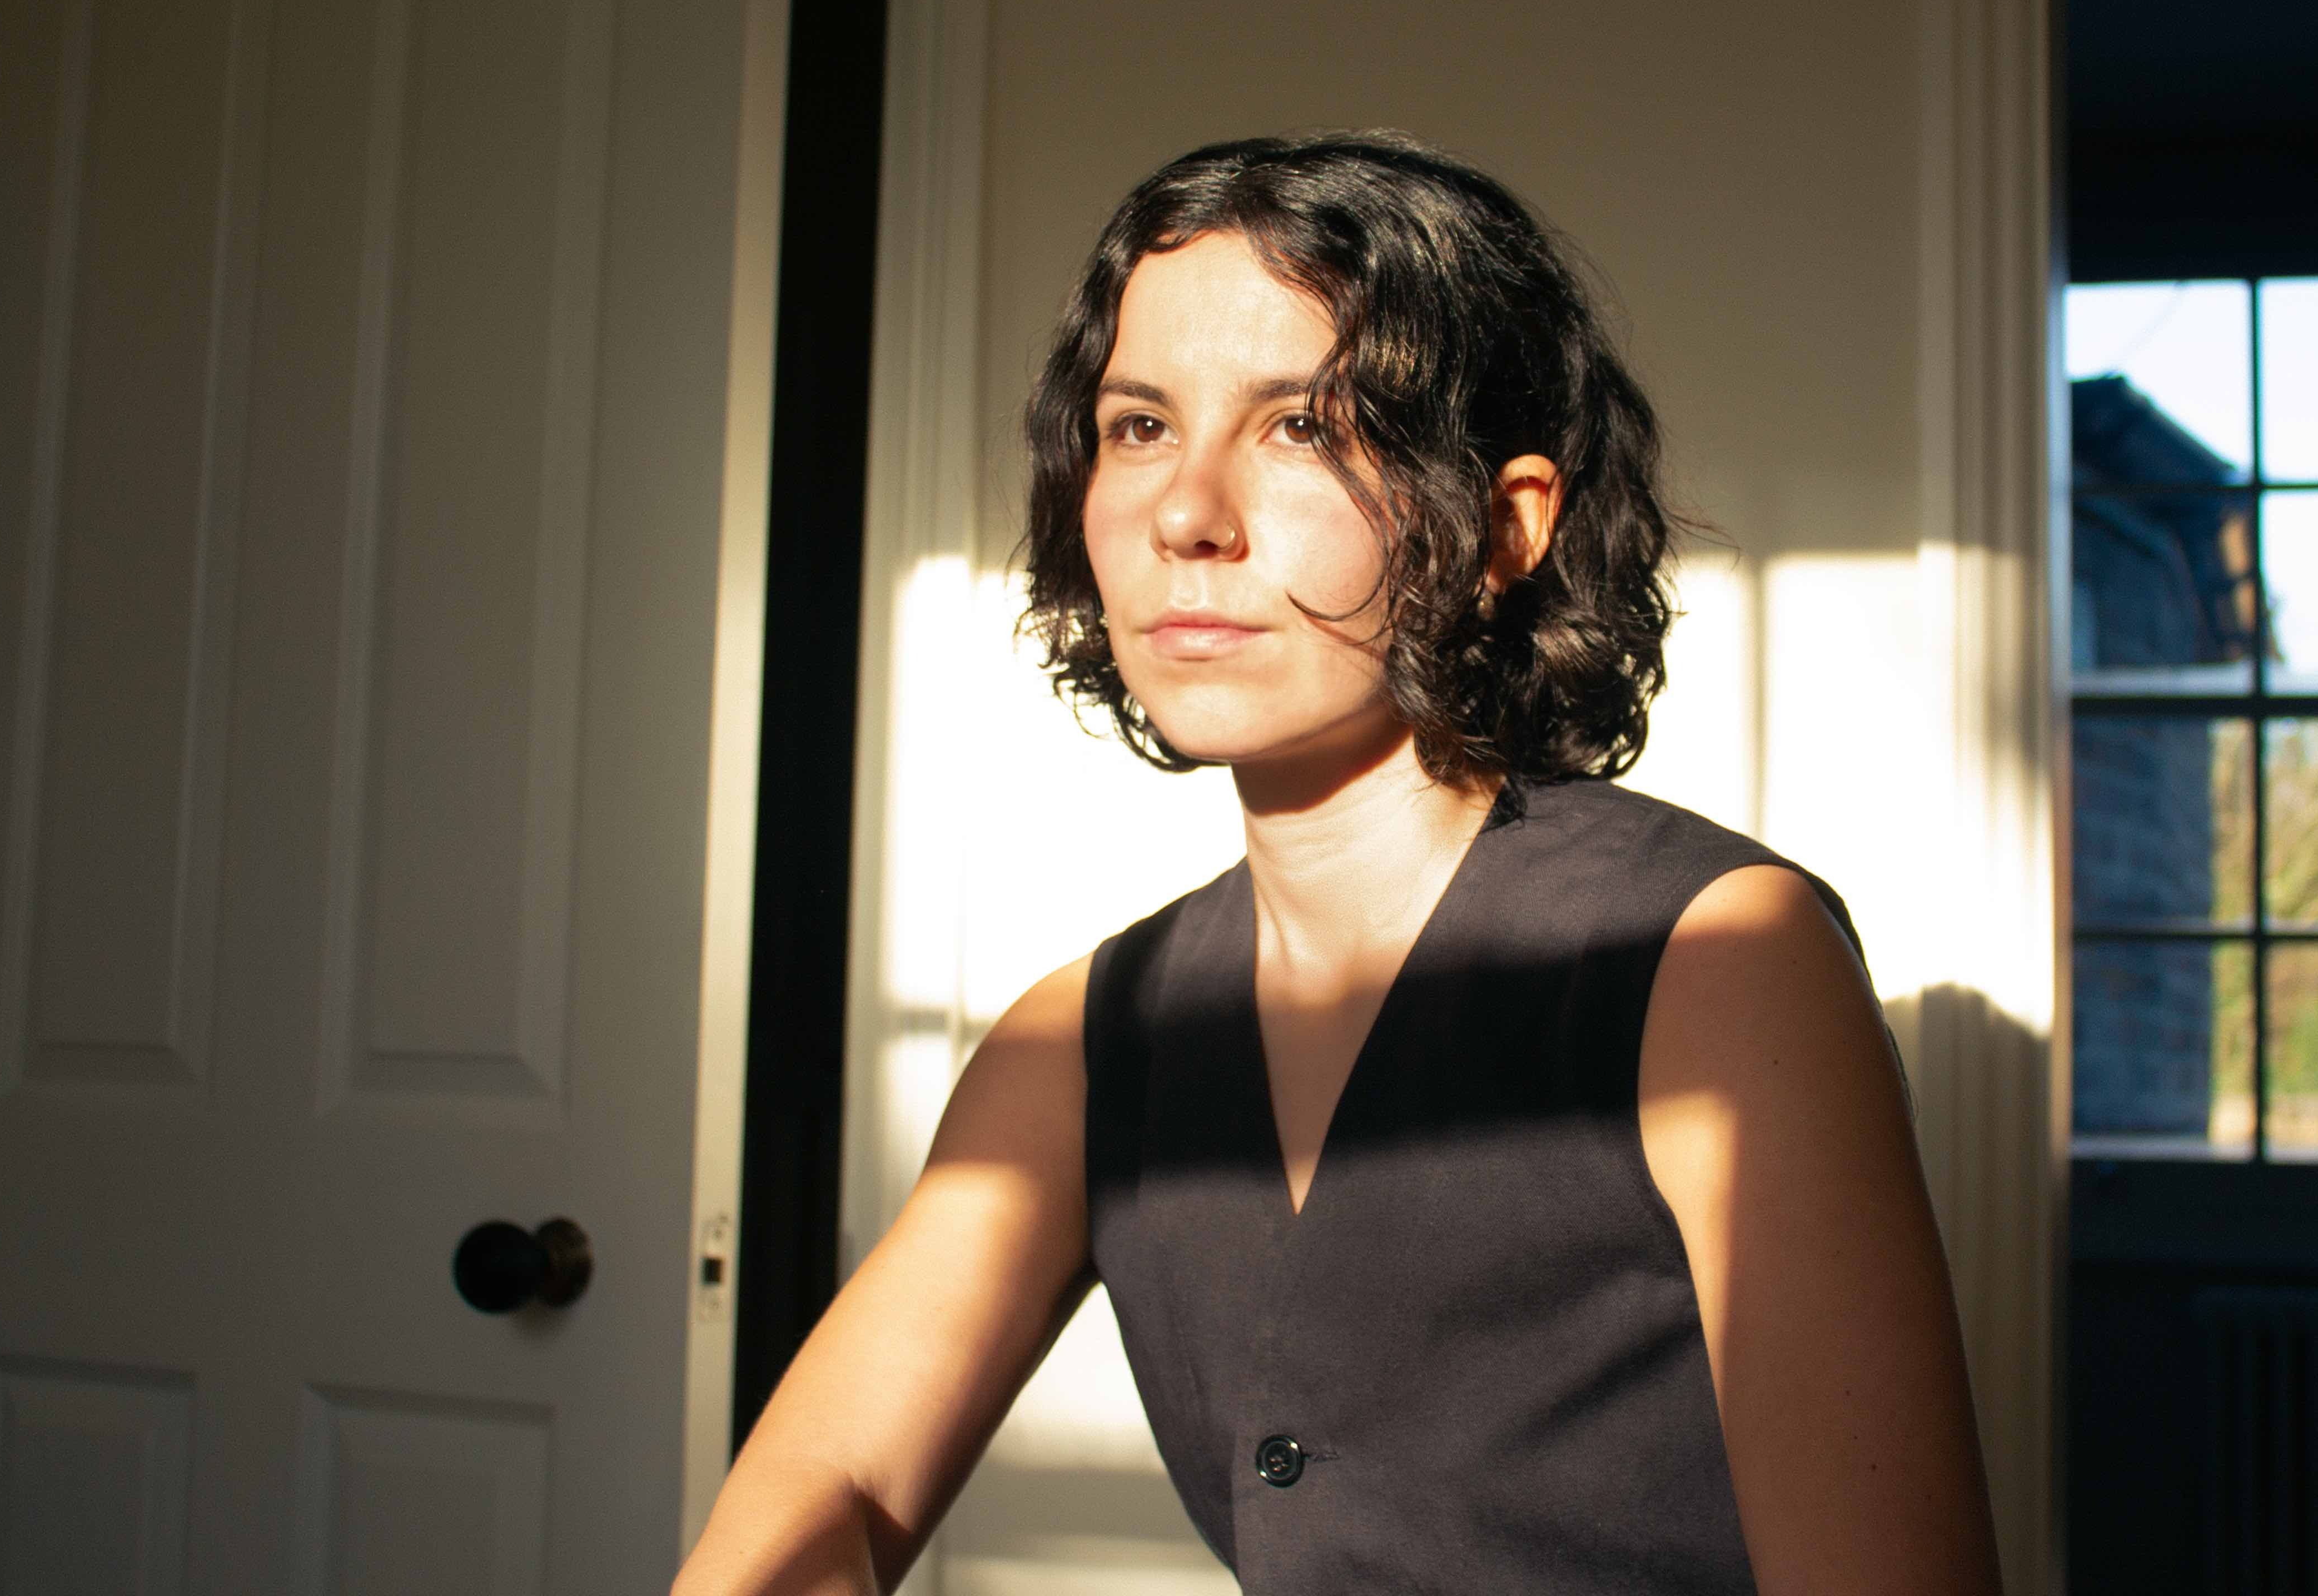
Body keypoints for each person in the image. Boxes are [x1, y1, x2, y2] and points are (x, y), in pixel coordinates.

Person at [676, 133, 2000, 1595]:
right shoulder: (1081, 1043)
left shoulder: (1715, 967)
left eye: (1303, 427)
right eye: (1138, 426)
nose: (1188, 515)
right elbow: (821, 1495)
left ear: (1503, 527)